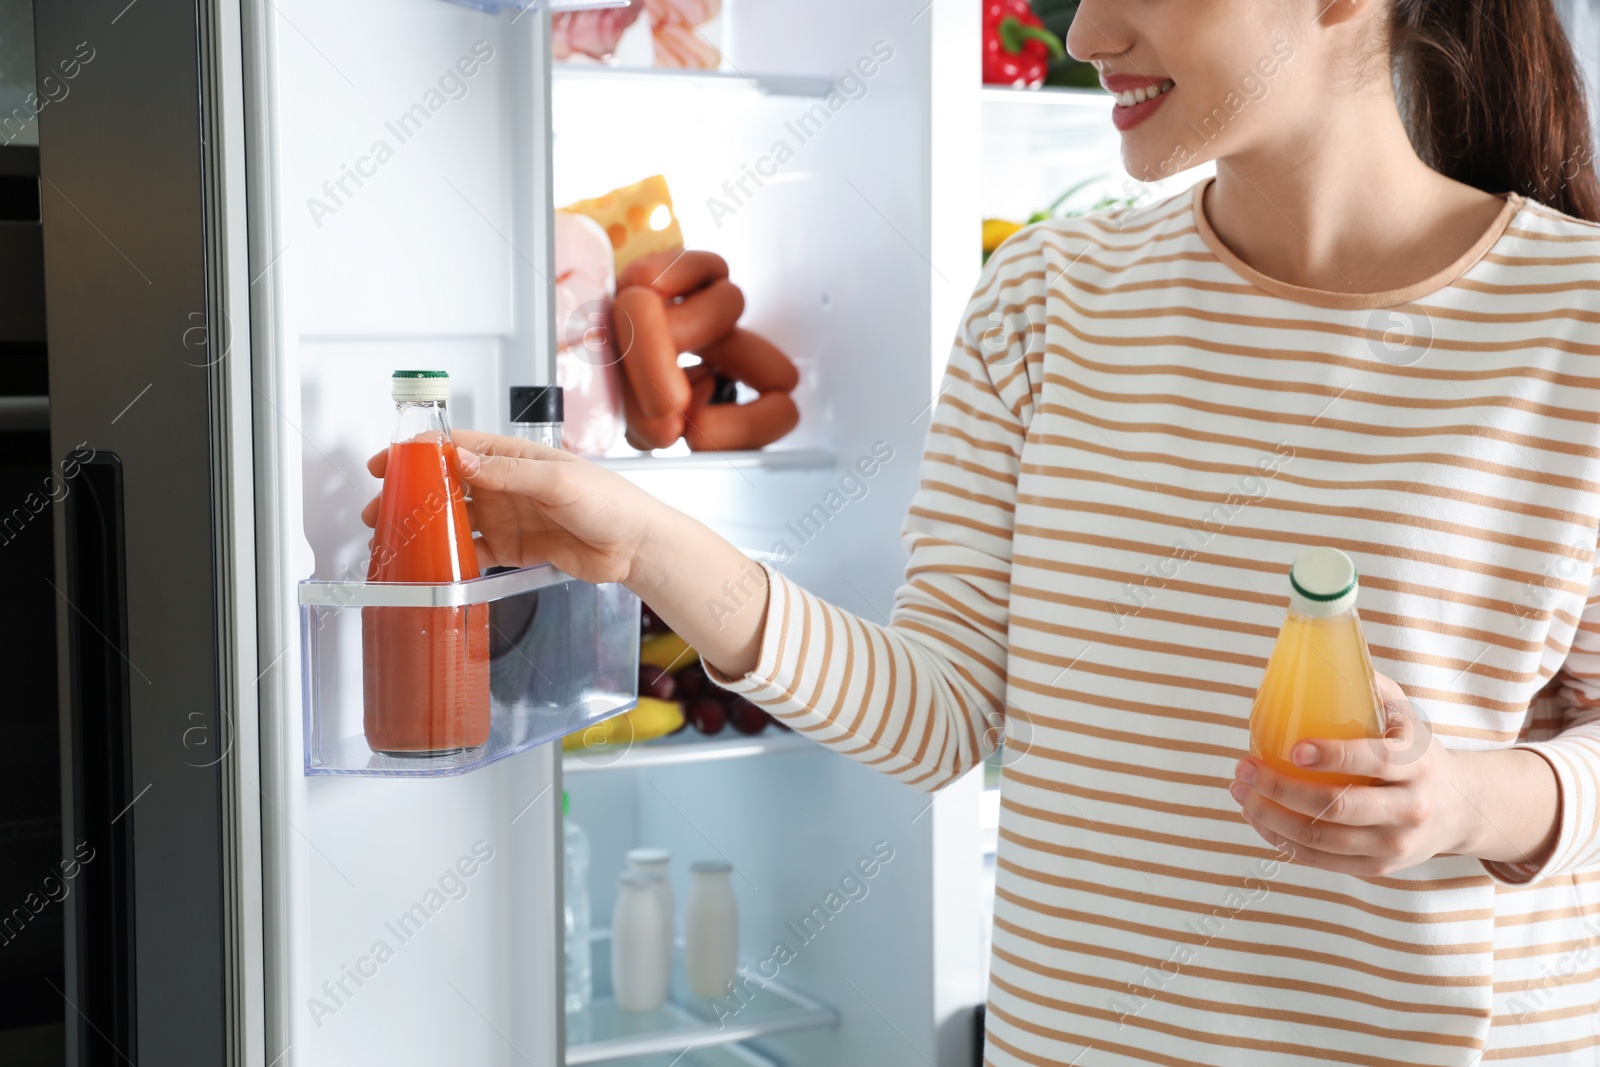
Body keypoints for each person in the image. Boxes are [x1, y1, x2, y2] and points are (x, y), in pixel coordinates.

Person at [366, 1, 1600, 1061]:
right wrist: (646, 544)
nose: (1085, 33)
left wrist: (1474, 801)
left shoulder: (1575, 324)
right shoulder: (1048, 297)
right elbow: (941, 707)